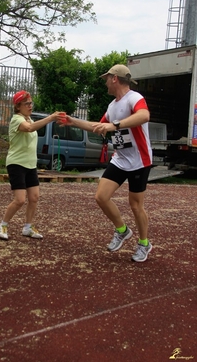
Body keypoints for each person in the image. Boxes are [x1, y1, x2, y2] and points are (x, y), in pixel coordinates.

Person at [58, 64, 153, 262]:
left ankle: (144, 244)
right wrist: (72, 121)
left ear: (115, 78)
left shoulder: (134, 98)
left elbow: (144, 115)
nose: (105, 83)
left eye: (106, 79)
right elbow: (98, 127)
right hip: (120, 159)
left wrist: (115, 125)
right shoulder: (112, 106)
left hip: (139, 160)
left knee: (136, 206)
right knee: (101, 197)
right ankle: (122, 230)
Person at [0, 90, 61, 241]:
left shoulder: (29, 119)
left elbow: (32, 126)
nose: (30, 106)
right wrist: (50, 117)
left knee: (34, 197)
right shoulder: (16, 120)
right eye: (27, 104)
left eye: (31, 103)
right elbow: (29, 129)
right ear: (18, 106)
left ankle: (28, 227)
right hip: (16, 163)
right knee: (20, 200)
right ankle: (3, 225)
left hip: (30, 165)